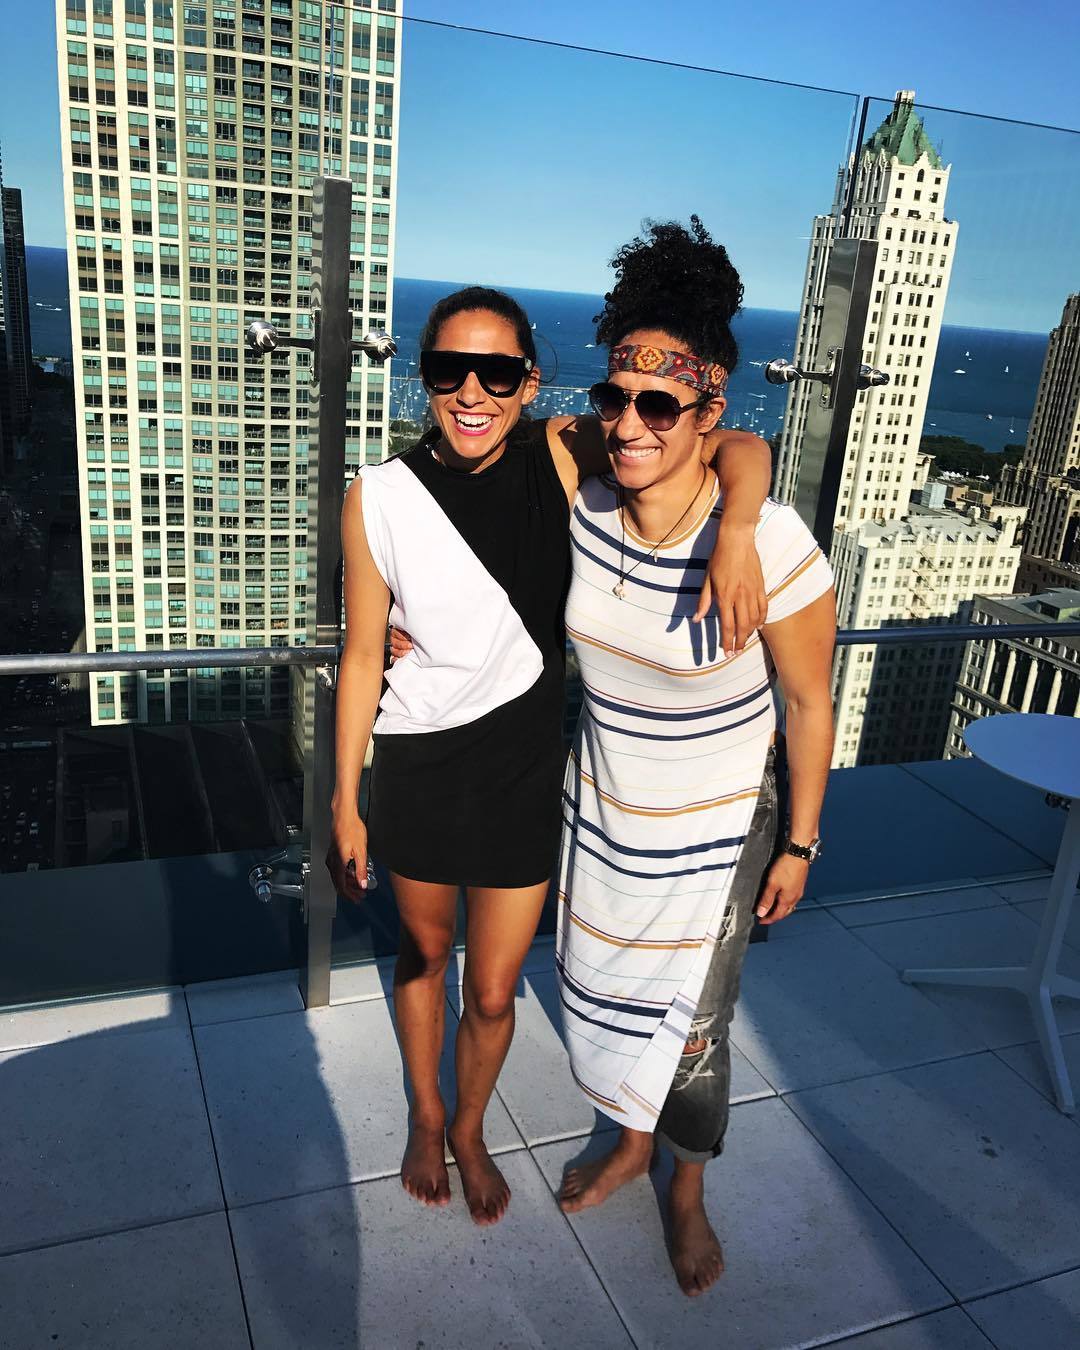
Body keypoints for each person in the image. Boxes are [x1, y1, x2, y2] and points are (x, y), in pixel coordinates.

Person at [327, 281, 774, 1226]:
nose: (473, 392)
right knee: (423, 955)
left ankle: (470, 1127)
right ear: (425, 376)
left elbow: (734, 444)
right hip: (416, 763)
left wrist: (737, 530)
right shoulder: (380, 496)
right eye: (451, 369)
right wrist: (343, 800)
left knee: (493, 991)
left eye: (497, 373)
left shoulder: (562, 453)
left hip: (524, 774)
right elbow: (363, 653)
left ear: (529, 382)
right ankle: (427, 1115)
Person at [553, 218, 837, 1296]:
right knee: (601, 991)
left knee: (695, 1029)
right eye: (614, 396)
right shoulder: (584, 490)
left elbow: (807, 703)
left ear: (708, 413)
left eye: (659, 406)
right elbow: (474, 481)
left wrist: (800, 843)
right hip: (605, 811)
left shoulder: (771, 543)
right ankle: (630, 1142)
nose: (628, 422)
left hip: (717, 828)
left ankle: (687, 1187)